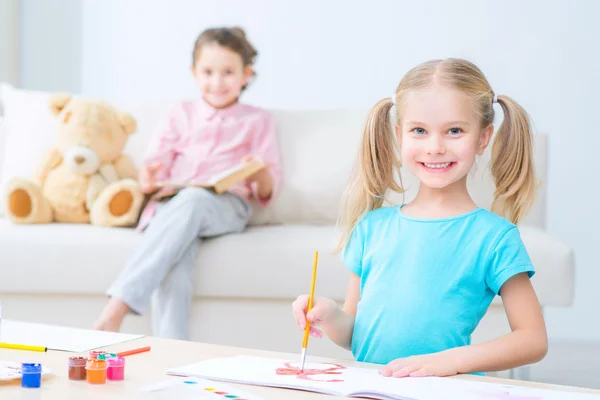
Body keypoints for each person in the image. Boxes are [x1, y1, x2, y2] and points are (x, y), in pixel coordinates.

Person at [292, 58, 547, 377]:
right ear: (400, 136)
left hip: (445, 390)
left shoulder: (494, 237)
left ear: (483, 138)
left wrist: (451, 361)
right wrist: (329, 314)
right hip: (373, 388)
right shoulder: (372, 227)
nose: (435, 147)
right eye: (419, 131)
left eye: (454, 130)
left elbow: (533, 339)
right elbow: (354, 335)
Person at [94, 27, 282, 340]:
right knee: (175, 267)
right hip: (173, 207)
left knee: (195, 200)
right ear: (194, 73)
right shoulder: (179, 113)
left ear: (246, 75)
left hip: (225, 206)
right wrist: (149, 179)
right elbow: (151, 174)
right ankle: (172, 357)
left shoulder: (257, 120)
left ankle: (116, 309)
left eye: (228, 72)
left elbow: (266, 191)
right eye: (208, 72)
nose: (217, 82)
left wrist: (257, 173)